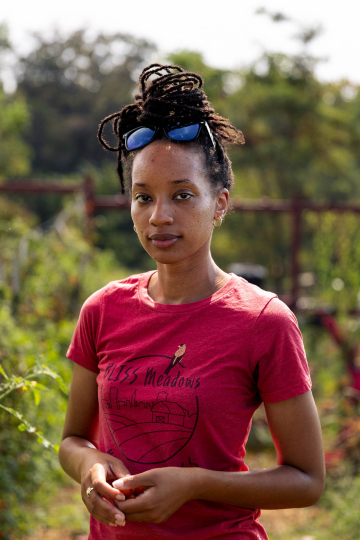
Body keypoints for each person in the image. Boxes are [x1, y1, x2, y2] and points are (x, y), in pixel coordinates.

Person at [59, 63, 325, 540]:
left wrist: (195, 484)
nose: (160, 216)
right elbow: (72, 441)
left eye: (183, 195)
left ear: (219, 203)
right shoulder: (102, 311)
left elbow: (307, 480)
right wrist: (90, 468)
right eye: (143, 197)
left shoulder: (263, 322)